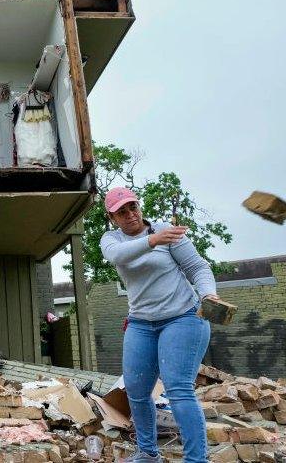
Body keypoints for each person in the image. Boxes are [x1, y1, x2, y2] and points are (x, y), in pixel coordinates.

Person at [100, 187, 218, 463]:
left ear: (138, 206)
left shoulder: (166, 231)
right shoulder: (111, 239)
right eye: (121, 211)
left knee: (178, 389)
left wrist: (208, 293)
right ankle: (148, 453)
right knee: (137, 391)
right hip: (141, 323)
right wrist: (153, 240)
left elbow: (198, 268)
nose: (130, 215)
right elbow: (117, 256)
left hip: (183, 317)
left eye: (133, 207)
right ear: (112, 217)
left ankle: (196, 459)